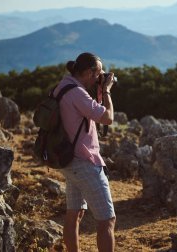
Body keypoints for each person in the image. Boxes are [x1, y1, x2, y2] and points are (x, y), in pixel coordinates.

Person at [54, 52, 116, 252]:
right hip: (84, 162)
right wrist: (106, 91)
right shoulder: (78, 93)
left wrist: (98, 91)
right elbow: (107, 118)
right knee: (107, 219)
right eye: (98, 73)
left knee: (75, 213)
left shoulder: (64, 86)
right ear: (90, 72)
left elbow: (88, 112)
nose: (100, 76)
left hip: (68, 160)